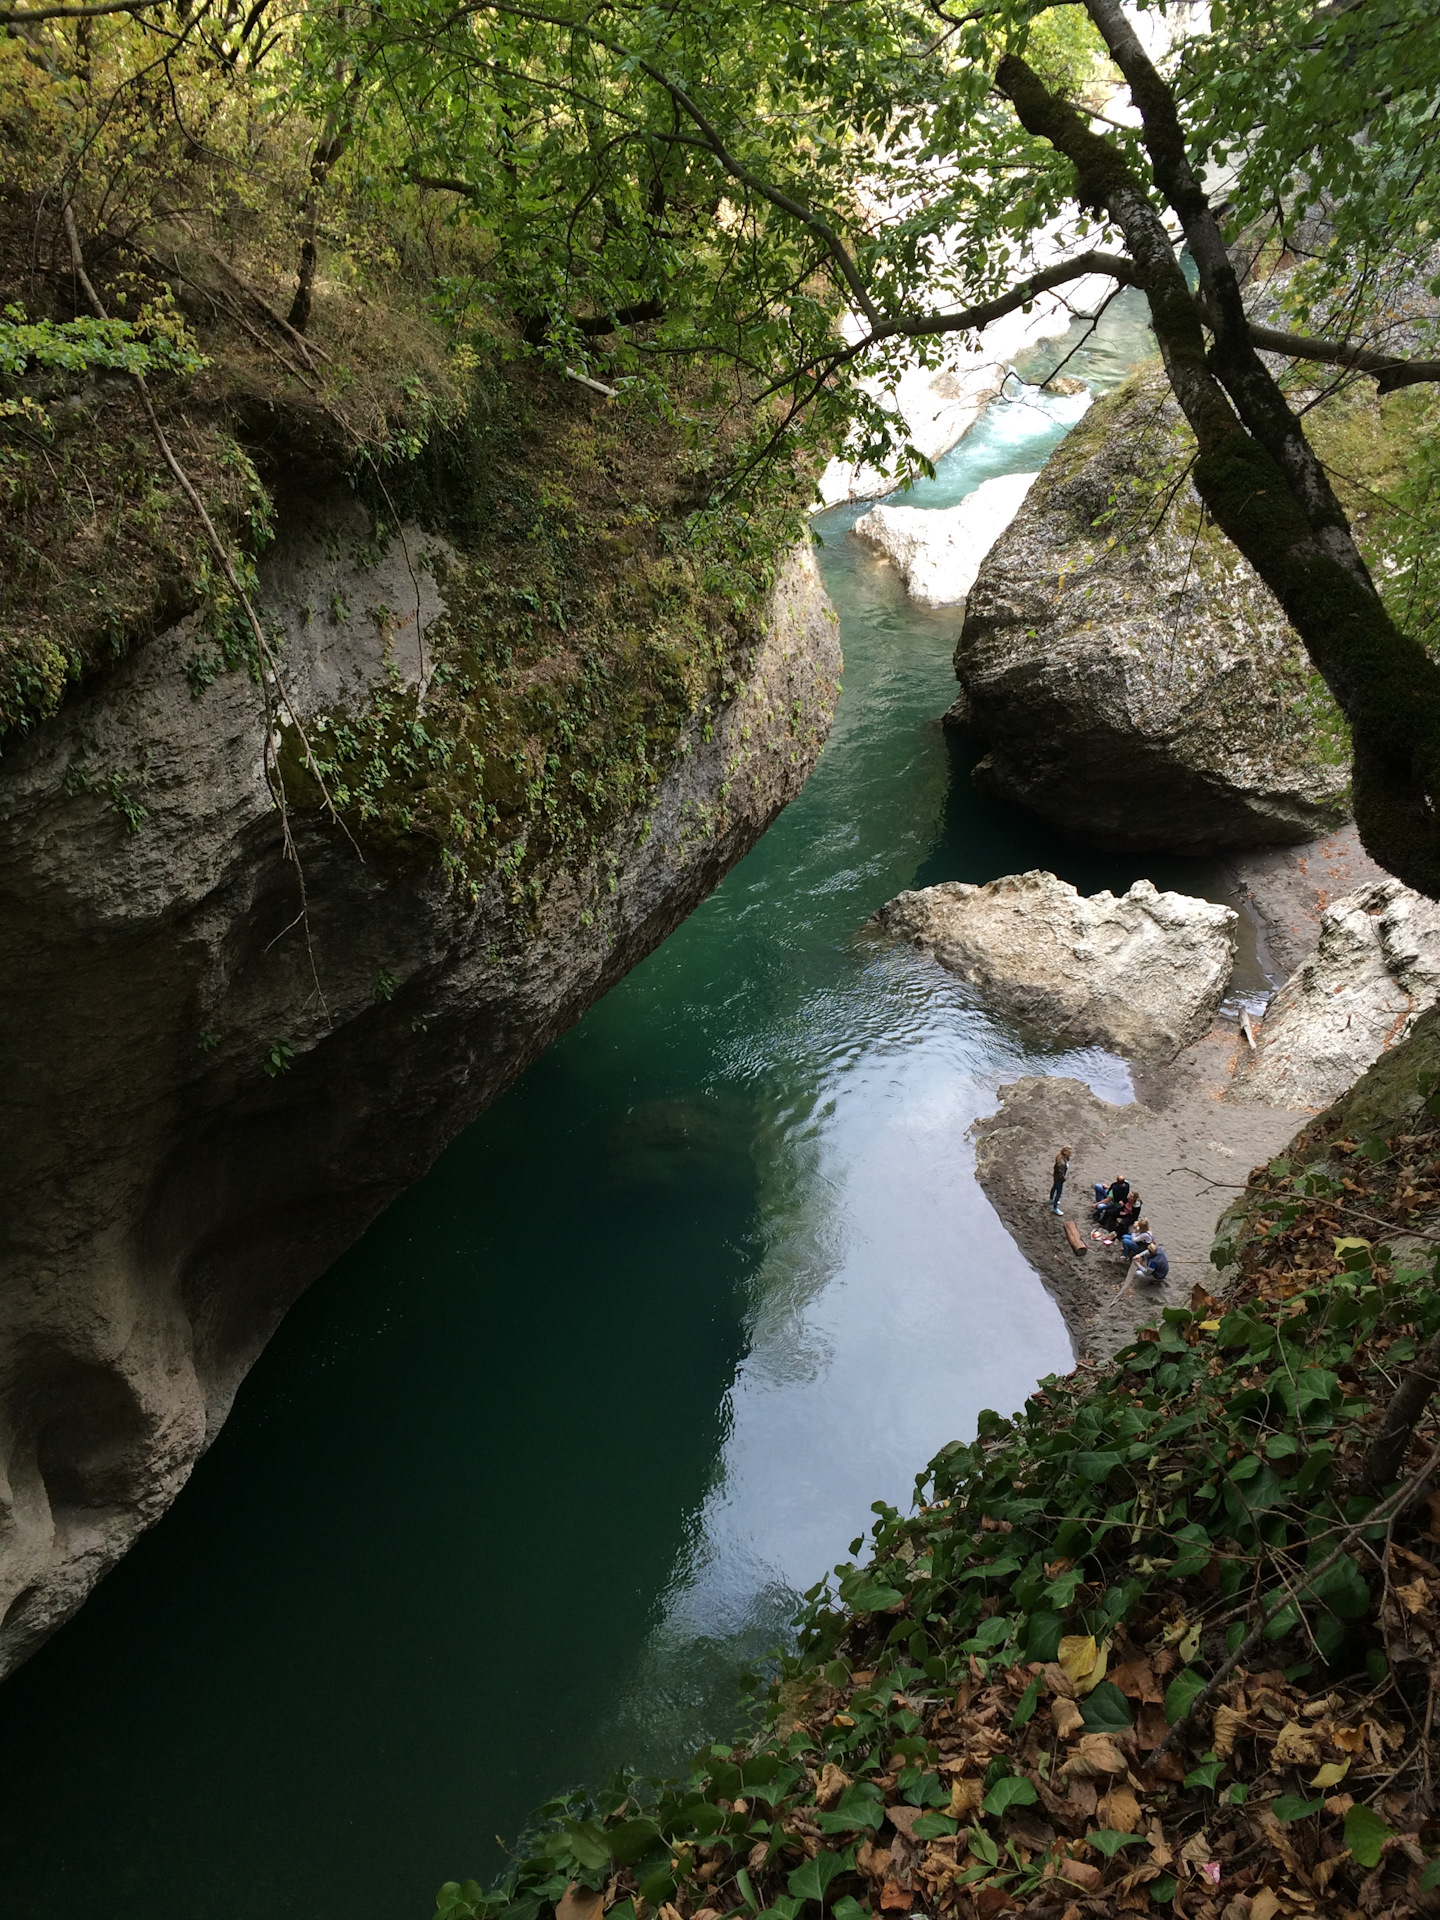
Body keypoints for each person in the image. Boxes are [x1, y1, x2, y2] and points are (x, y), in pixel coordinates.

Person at [1049, 1146, 1072, 1215]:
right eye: (1069, 1152)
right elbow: (1060, 1173)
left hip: (1056, 1177)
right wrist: (1063, 1179)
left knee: (1054, 1187)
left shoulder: (1061, 1157)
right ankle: (1055, 1208)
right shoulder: (1061, 1163)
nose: (1071, 1154)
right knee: (1059, 1193)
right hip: (1059, 1179)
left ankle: (1051, 1199)